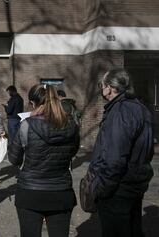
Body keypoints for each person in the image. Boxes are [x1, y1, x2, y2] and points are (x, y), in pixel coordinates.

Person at [88, 68, 154, 237]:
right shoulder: (140, 108)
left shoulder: (119, 111)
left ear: (109, 87)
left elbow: (114, 159)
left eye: (101, 85)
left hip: (118, 189)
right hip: (134, 184)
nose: (101, 89)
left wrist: (102, 188)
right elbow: (148, 149)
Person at [8, 83, 80, 237]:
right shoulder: (71, 125)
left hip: (30, 193)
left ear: (33, 103)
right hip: (61, 192)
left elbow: (14, 159)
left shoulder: (26, 125)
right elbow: (72, 153)